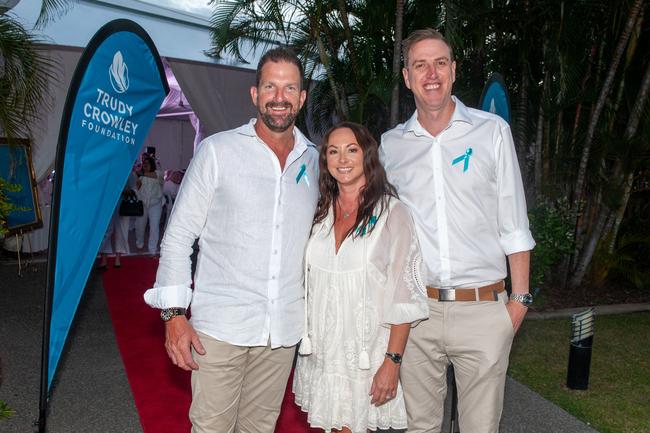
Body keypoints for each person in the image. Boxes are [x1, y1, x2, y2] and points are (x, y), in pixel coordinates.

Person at [143, 47, 319, 433]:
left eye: (290, 88)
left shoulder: (315, 162)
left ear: (302, 98)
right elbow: (178, 237)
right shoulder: (217, 152)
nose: (279, 97)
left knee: (260, 428)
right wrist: (173, 315)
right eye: (270, 86)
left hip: (282, 331)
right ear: (255, 94)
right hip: (221, 328)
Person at [379, 28, 536, 433]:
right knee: (420, 428)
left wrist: (517, 303)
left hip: (483, 309)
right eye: (420, 65)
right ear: (406, 77)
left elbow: (514, 222)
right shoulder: (391, 145)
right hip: (417, 314)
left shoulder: (491, 132)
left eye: (440, 63)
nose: (431, 73)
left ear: (454, 71)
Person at [293, 122, 428, 433]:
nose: (342, 159)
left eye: (351, 150)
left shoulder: (392, 213)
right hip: (324, 351)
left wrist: (392, 361)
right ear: (324, 159)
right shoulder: (320, 210)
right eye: (333, 151)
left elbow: (404, 295)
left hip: (365, 356)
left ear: (367, 155)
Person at [135, 155, 164, 254]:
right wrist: (137, 179)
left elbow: (157, 176)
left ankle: (152, 249)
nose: (145, 165)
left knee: (154, 226)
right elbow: (136, 188)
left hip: (155, 204)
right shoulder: (140, 175)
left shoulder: (158, 173)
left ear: (152, 164)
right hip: (142, 204)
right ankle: (139, 243)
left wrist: (140, 173)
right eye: (143, 163)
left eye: (147, 163)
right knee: (140, 225)